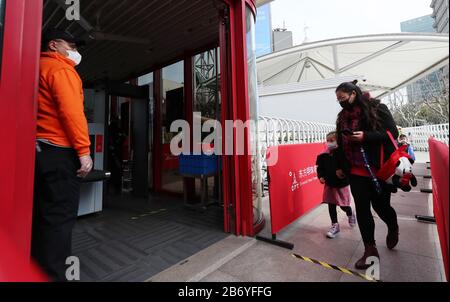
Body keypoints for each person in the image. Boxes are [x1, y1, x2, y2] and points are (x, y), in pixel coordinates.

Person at [32, 29, 92, 281]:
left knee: (42, 215)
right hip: (60, 152)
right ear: (53, 45)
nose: (75, 52)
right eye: (71, 45)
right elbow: (72, 113)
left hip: (40, 151)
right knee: (60, 219)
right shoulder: (62, 69)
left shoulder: (36, 68)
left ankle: (34, 270)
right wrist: (84, 152)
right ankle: (55, 275)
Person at [334, 80, 400, 270]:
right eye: (338, 99)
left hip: (379, 169)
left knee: (381, 207)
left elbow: (392, 133)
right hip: (355, 170)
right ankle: (370, 250)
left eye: (343, 98)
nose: (341, 102)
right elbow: (339, 142)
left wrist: (366, 136)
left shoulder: (377, 108)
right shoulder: (341, 117)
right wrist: (339, 165)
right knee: (362, 210)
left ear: (354, 94)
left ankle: (393, 226)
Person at [316, 132, 356, 239]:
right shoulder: (324, 155)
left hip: (341, 184)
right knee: (331, 204)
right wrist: (320, 176)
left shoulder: (343, 153)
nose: (329, 143)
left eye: (332, 140)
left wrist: (343, 171)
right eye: (327, 140)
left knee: (343, 205)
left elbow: (349, 166)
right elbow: (320, 168)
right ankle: (335, 225)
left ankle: (350, 213)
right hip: (329, 183)